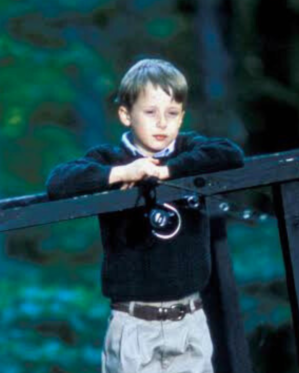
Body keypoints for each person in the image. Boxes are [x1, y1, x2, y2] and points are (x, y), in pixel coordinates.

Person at [46, 59, 244, 373]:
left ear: (182, 118)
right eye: (150, 113)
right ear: (126, 114)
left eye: (172, 114)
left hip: (191, 316)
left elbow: (230, 153)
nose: (162, 124)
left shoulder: (187, 150)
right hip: (134, 322)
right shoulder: (110, 158)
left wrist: (166, 172)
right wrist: (122, 173)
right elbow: (58, 181)